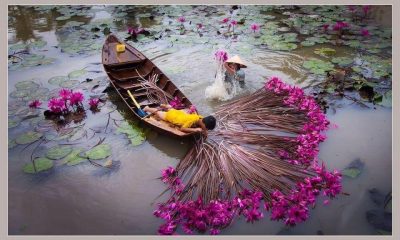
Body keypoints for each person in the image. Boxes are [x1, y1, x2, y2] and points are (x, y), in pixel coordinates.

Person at [143, 104, 216, 137]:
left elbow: (205, 126)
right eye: (206, 128)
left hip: (179, 114)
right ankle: (147, 108)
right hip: (172, 117)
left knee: (171, 109)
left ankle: (164, 105)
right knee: (158, 113)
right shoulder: (191, 121)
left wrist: (205, 133)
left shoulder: (201, 118)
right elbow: (182, 129)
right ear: (203, 124)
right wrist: (195, 130)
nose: (206, 130)